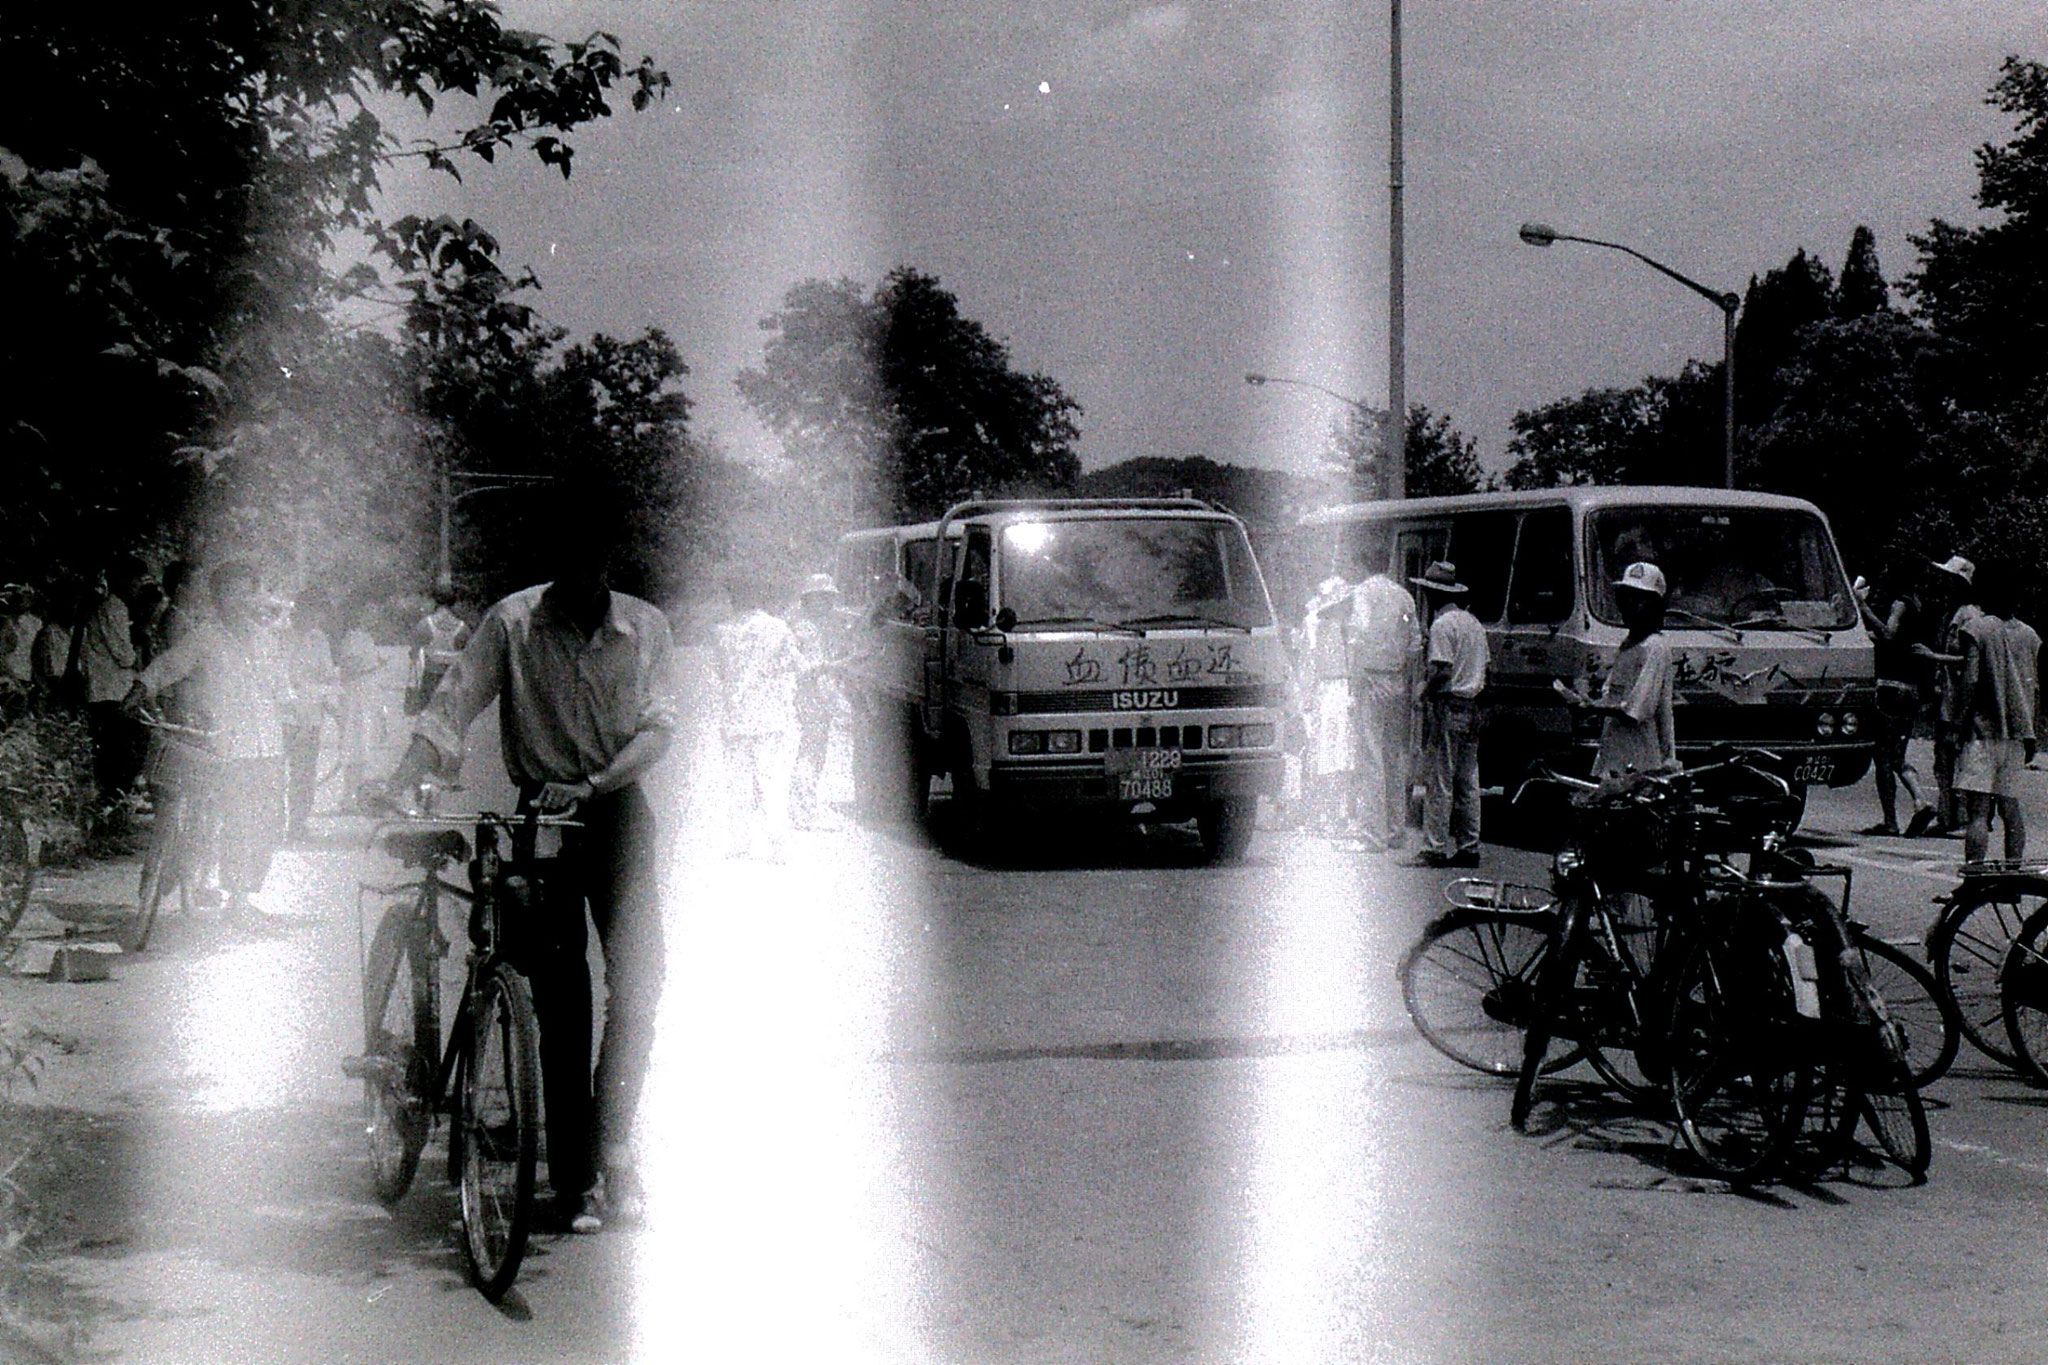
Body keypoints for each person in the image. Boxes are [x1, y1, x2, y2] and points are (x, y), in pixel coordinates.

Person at [382, 506, 678, 1236]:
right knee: (561, 994)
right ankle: (575, 1177)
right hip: (542, 818)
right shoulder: (512, 623)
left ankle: (615, 1143)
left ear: (613, 560)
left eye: (599, 559)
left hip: (615, 812)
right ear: (555, 560)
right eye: (572, 559)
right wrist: (406, 775)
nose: (587, 573)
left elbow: (658, 727)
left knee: (641, 979)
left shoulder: (646, 628)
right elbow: (453, 703)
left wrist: (598, 781)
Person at [124, 562, 295, 920]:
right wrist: (142, 687)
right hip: (227, 747)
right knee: (236, 822)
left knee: (266, 823)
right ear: (218, 598)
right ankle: (234, 897)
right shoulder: (206, 637)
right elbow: (171, 665)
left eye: (250, 591)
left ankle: (242, 896)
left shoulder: (268, 640)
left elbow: (283, 688)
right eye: (233, 592)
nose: (244, 600)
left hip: (269, 746)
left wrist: (294, 711)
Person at [713, 571, 804, 861]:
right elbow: (795, 665)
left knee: (738, 783)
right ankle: (778, 845)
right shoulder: (779, 628)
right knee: (773, 782)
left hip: (736, 717)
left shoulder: (720, 632)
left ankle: (740, 842)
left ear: (732, 597)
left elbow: (720, 674)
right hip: (771, 717)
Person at [1954, 566, 2041, 865]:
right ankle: (2013, 873)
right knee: (2010, 807)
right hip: (2018, 733)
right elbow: (2034, 688)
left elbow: (1970, 681)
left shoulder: (1977, 629)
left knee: (1978, 811)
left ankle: (1975, 876)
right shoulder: (2031, 636)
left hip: (1983, 730)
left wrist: (1958, 723)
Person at [1409, 561, 1489, 869]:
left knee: (1440, 779)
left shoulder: (1442, 626)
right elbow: (1487, 670)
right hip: (1473, 704)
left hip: (1449, 704)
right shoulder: (1474, 624)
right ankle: (1470, 845)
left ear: (1432, 594)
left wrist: (1423, 691)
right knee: (1468, 781)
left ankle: (1435, 846)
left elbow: (1442, 670)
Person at [1343, 547, 1421, 851]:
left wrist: (1355, 678)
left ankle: (1371, 834)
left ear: (1362, 562)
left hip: (1371, 679)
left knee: (1370, 756)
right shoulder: (1403, 596)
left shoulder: (1363, 592)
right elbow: (1414, 643)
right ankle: (1395, 829)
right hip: (1398, 680)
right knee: (1393, 757)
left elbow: (1358, 634)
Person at [1856, 572, 1938, 836]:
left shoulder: (1899, 604)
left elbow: (1890, 635)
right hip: (1911, 688)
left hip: (1891, 687)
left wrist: (1863, 608)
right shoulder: (1919, 605)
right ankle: (1919, 800)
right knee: (1897, 754)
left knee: (1882, 756)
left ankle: (1892, 819)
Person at [1582, 562, 1679, 780]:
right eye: (1626, 598)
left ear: (1655, 606)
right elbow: (1612, 695)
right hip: (1615, 755)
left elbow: (1637, 710)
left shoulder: (1654, 647)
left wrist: (1591, 708)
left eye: (1639, 600)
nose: (1630, 606)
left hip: (1642, 759)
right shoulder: (1629, 644)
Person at [77, 555, 152, 812]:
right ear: (122, 580)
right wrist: (137, 649)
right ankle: (108, 812)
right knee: (120, 757)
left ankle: (114, 812)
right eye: (137, 581)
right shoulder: (115, 607)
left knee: (120, 757)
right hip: (110, 692)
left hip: (110, 691)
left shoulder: (115, 607)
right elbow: (125, 655)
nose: (139, 587)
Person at [1925, 555, 1983, 837]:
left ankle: (1959, 817)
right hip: (1948, 697)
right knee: (1944, 759)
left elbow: (1968, 661)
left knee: (1956, 758)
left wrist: (1933, 657)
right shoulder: (1953, 612)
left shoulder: (1969, 616)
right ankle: (1947, 814)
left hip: (1959, 700)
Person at [282, 586, 339, 841]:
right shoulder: (280, 636)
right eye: (311, 611)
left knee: (304, 774)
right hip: (284, 717)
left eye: (319, 613)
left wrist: (335, 711)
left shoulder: (320, 639)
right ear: (299, 610)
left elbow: (328, 678)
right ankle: (272, 824)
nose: (315, 618)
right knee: (275, 774)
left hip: (311, 717)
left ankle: (298, 824)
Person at [790, 573, 847, 829]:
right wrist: (837, 664)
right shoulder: (804, 628)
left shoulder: (816, 625)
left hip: (815, 696)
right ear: (809, 599)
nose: (827, 603)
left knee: (813, 753)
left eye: (828, 597)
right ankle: (803, 811)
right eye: (821, 597)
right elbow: (809, 668)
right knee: (810, 754)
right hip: (808, 695)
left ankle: (800, 809)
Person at [1302, 576, 1357, 835]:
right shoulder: (1333, 627)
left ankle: (1330, 814)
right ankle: (1333, 814)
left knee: (1330, 755)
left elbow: (1312, 664)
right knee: (1336, 755)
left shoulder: (1326, 626)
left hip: (1332, 690)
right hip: (1336, 690)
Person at [406, 583, 470, 716]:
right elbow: (468, 659)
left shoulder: (424, 625)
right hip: (452, 683)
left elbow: (414, 658)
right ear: (454, 602)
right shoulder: (463, 629)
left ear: (434, 601)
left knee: (427, 722)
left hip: (430, 681)